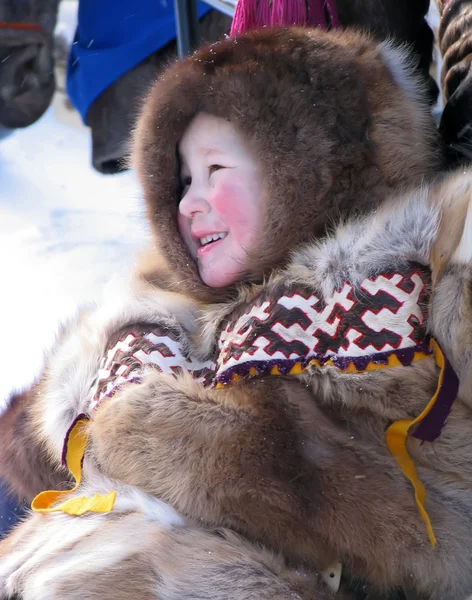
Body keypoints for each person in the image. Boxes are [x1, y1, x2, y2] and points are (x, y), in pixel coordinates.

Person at [2, 27, 472, 600]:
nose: (189, 202)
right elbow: (36, 454)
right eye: (180, 181)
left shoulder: (419, 272)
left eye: (215, 171)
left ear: (308, 163)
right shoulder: (155, 308)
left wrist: (183, 442)